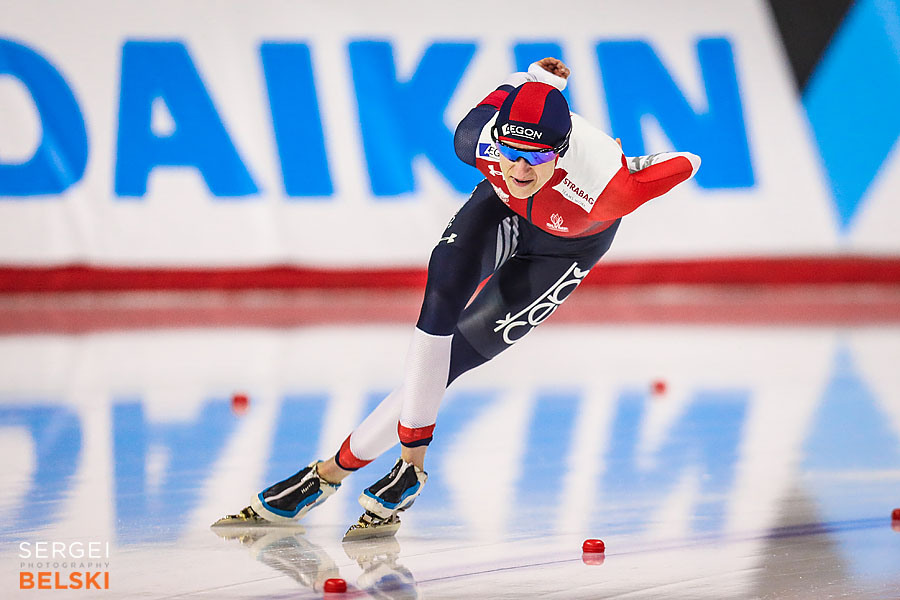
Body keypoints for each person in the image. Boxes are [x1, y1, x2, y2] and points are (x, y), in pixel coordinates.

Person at [213, 57, 700, 537]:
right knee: (440, 298)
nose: (519, 168)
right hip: (500, 211)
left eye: (536, 157)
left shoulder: (607, 188)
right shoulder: (475, 140)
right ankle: (408, 468)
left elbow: (688, 161)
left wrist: (635, 167)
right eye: (511, 152)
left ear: (562, 151)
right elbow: (512, 87)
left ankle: (326, 476)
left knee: (454, 359)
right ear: (497, 138)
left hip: (566, 248)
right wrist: (537, 78)